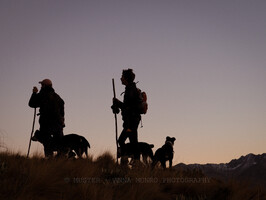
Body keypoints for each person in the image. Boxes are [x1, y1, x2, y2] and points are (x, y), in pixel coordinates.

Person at [112, 69, 142, 165]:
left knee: (121, 140)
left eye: (122, 77)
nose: (121, 78)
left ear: (126, 78)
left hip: (131, 121)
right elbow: (128, 107)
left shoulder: (130, 90)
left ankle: (126, 161)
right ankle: (135, 161)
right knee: (133, 141)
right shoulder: (131, 89)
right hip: (133, 120)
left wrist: (118, 103)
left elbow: (128, 108)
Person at [28, 79, 65, 157]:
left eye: (42, 85)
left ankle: (49, 159)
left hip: (46, 123)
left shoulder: (43, 95)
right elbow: (62, 111)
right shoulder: (58, 97)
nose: (41, 87)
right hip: (58, 124)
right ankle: (61, 160)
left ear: (44, 86)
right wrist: (62, 121)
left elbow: (32, 104)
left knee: (47, 142)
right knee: (60, 143)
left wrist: (34, 93)